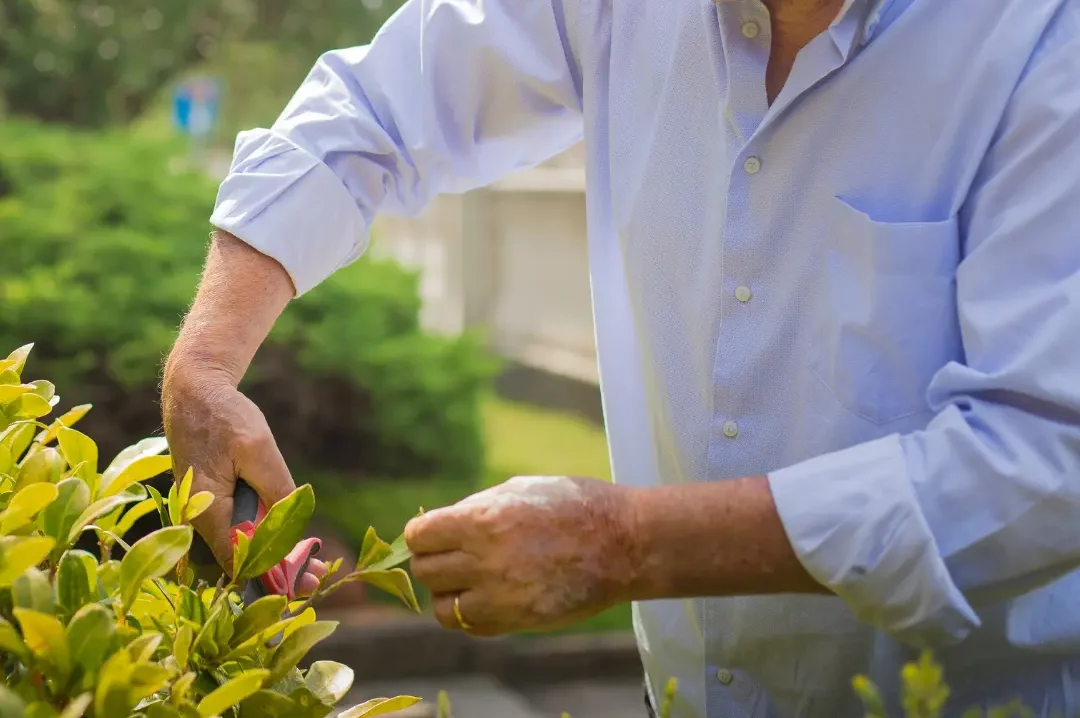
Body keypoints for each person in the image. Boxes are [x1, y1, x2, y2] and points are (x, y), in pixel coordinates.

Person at [160, 0, 1080, 714]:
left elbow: (1043, 462)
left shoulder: (1045, 43)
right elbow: (373, 106)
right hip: (681, 690)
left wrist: (629, 542)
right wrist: (203, 364)